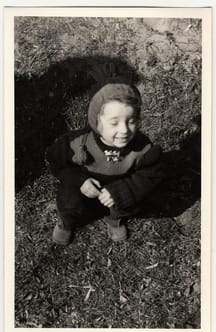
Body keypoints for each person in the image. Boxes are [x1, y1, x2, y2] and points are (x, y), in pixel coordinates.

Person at [46, 82, 164, 245]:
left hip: (116, 192)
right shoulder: (77, 141)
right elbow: (56, 161)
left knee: (132, 199)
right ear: (96, 121)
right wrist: (80, 180)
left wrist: (121, 192)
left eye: (131, 121)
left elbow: (151, 175)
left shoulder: (143, 148)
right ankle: (67, 222)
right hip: (83, 189)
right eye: (114, 123)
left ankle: (114, 219)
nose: (124, 130)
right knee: (68, 199)